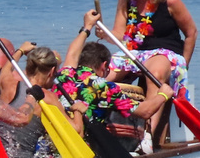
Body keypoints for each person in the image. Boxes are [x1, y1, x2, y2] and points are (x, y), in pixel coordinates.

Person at [109, 0, 198, 144]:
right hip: (135, 53)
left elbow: (191, 33)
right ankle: (99, 127)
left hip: (165, 53)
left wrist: (184, 65)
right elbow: (119, 34)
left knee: (154, 73)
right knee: (106, 75)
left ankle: (146, 136)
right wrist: (101, 33)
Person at [54, 9, 172, 142]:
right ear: (104, 66)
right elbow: (145, 111)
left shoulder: (64, 75)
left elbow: (72, 53)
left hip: (55, 143)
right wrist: (163, 95)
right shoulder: (104, 88)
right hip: (82, 148)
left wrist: (87, 27)